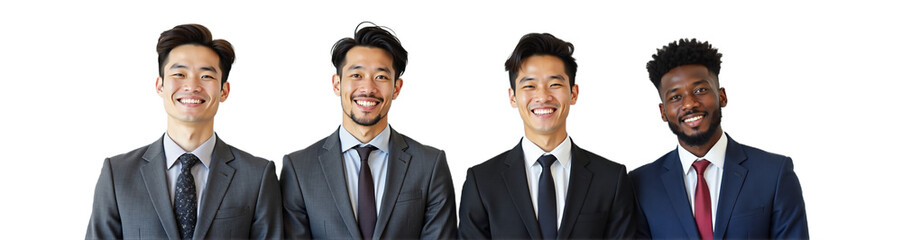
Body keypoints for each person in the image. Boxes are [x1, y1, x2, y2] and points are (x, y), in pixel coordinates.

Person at [85, 24, 282, 239]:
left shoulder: (257, 176)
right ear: (160, 86)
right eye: (179, 73)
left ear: (224, 90)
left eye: (206, 76)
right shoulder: (118, 174)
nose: (192, 85)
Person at [280, 23, 457, 240]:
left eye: (381, 77)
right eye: (356, 75)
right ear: (337, 84)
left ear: (397, 87)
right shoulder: (298, 169)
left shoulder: (430, 165)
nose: (368, 88)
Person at [458, 33, 636, 239]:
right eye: (529, 86)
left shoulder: (611, 179)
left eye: (555, 84)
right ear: (513, 97)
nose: (542, 96)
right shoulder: (482, 182)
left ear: (574, 93)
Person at [629, 39, 809, 239]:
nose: (689, 104)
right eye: (675, 97)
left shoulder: (774, 174)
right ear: (663, 112)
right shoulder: (640, 185)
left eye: (700, 90)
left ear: (721, 96)